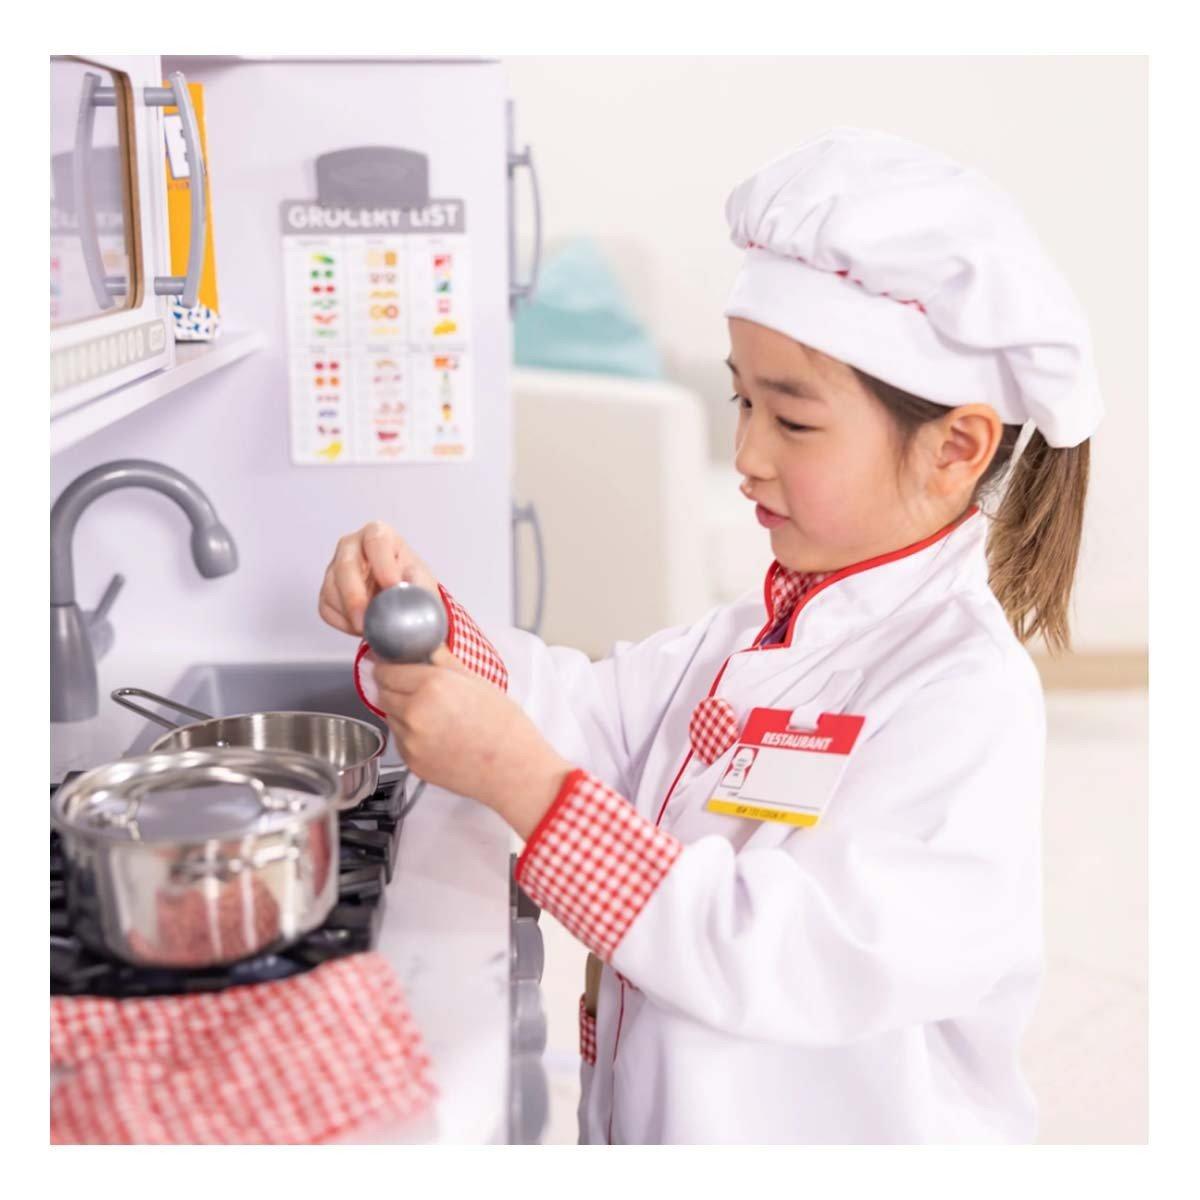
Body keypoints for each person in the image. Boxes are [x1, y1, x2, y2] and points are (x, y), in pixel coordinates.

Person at [317, 126, 1100, 1144]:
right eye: (741, 399)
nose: (746, 455)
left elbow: (781, 952)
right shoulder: (752, 635)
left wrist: (523, 784)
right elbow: (585, 713)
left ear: (955, 447)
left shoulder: (963, 698)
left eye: (793, 421)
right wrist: (427, 623)